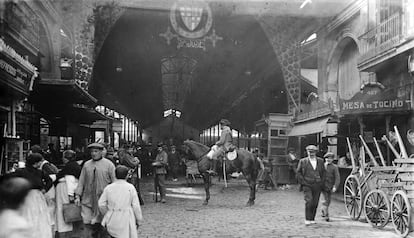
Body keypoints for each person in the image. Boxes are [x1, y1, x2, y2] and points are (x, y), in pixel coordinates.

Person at [74, 142, 116, 238]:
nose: (93, 153)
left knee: (104, 223)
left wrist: (114, 197)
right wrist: (77, 195)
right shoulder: (87, 165)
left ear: (101, 152)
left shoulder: (109, 165)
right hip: (88, 199)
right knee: (88, 222)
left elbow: (114, 182)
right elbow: (81, 181)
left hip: (103, 200)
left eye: (96, 151)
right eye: (92, 151)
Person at [13, 153, 54, 237]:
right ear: (35, 162)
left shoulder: (21, 171)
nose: (40, 163)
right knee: (38, 216)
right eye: (39, 162)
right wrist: (45, 189)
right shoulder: (39, 172)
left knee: (27, 215)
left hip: (26, 195)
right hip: (36, 196)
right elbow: (49, 181)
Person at [98, 165, 143, 238]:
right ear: (127, 175)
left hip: (112, 217)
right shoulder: (130, 188)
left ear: (115, 175)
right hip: (126, 217)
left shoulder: (109, 188)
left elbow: (101, 204)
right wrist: (139, 219)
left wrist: (108, 212)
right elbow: (136, 206)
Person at [296, 145, 326, 225]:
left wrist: (321, 183)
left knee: (315, 202)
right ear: (307, 152)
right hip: (307, 184)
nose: (311, 154)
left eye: (313, 152)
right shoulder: (303, 161)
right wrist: (303, 182)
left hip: (317, 184)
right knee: (309, 201)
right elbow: (298, 173)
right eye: (309, 152)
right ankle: (307, 219)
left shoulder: (320, 161)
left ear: (316, 152)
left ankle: (312, 218)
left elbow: (323, 173)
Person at [55, 150, 82, 237]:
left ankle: (64, 229)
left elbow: (70, 180)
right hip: (68, 188)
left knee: (63, 208)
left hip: (65, 189)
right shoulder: (75, 165)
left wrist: (70, 194)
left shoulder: (69, 167)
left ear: (66, 158)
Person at [321, 152, 340, 222]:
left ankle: (323, 210)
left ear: (332, 160)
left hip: (330, 186)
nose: (328, 160)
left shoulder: (334, 167)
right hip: (323, 186)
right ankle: (326, 215)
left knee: (328, 201)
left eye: (330, 158)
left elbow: (337, 178)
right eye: (327, 158)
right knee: (325, 200)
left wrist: (335, 186)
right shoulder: (322, 166)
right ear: (325, 159)